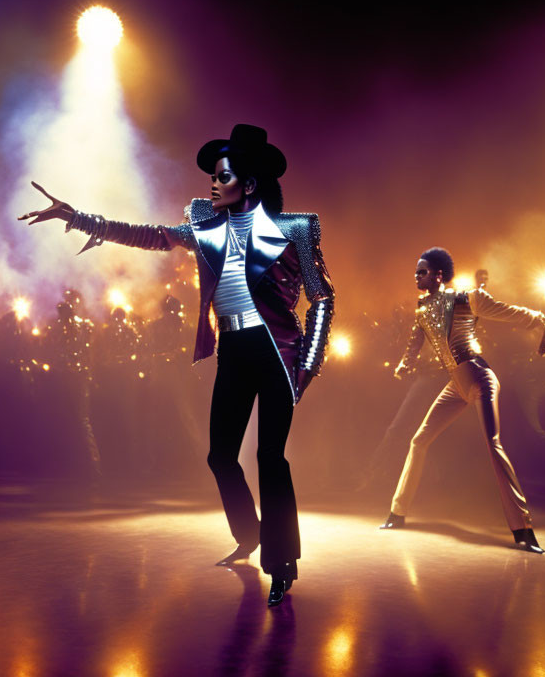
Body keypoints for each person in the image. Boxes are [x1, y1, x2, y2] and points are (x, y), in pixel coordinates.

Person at [19, 124, 334, 606]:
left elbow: (323, 298)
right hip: (233, 350)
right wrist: (81, 219)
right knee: (220, 456)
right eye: (212, 174)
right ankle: (249, 535)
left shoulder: (295, 229)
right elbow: (151, 236)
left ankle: (282, 562)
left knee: (271, 458)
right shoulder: (206, 229)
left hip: (277, 353)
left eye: (222, 175)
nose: (211, 183)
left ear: (248, 184)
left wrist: (308, 365)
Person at [380, 248, 545, 553]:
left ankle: (524, 530)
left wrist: (542, 323)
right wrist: (404, 364)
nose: (416, 276)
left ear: (438, 274)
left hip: (479, 377)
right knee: (419, 441)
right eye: (415, 271)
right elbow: (415, 341)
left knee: (493, 444)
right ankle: (397, 514)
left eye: (422, 271)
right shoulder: (421, 309)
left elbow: (508, 311)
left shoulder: (466, 298)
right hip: (456, 385)